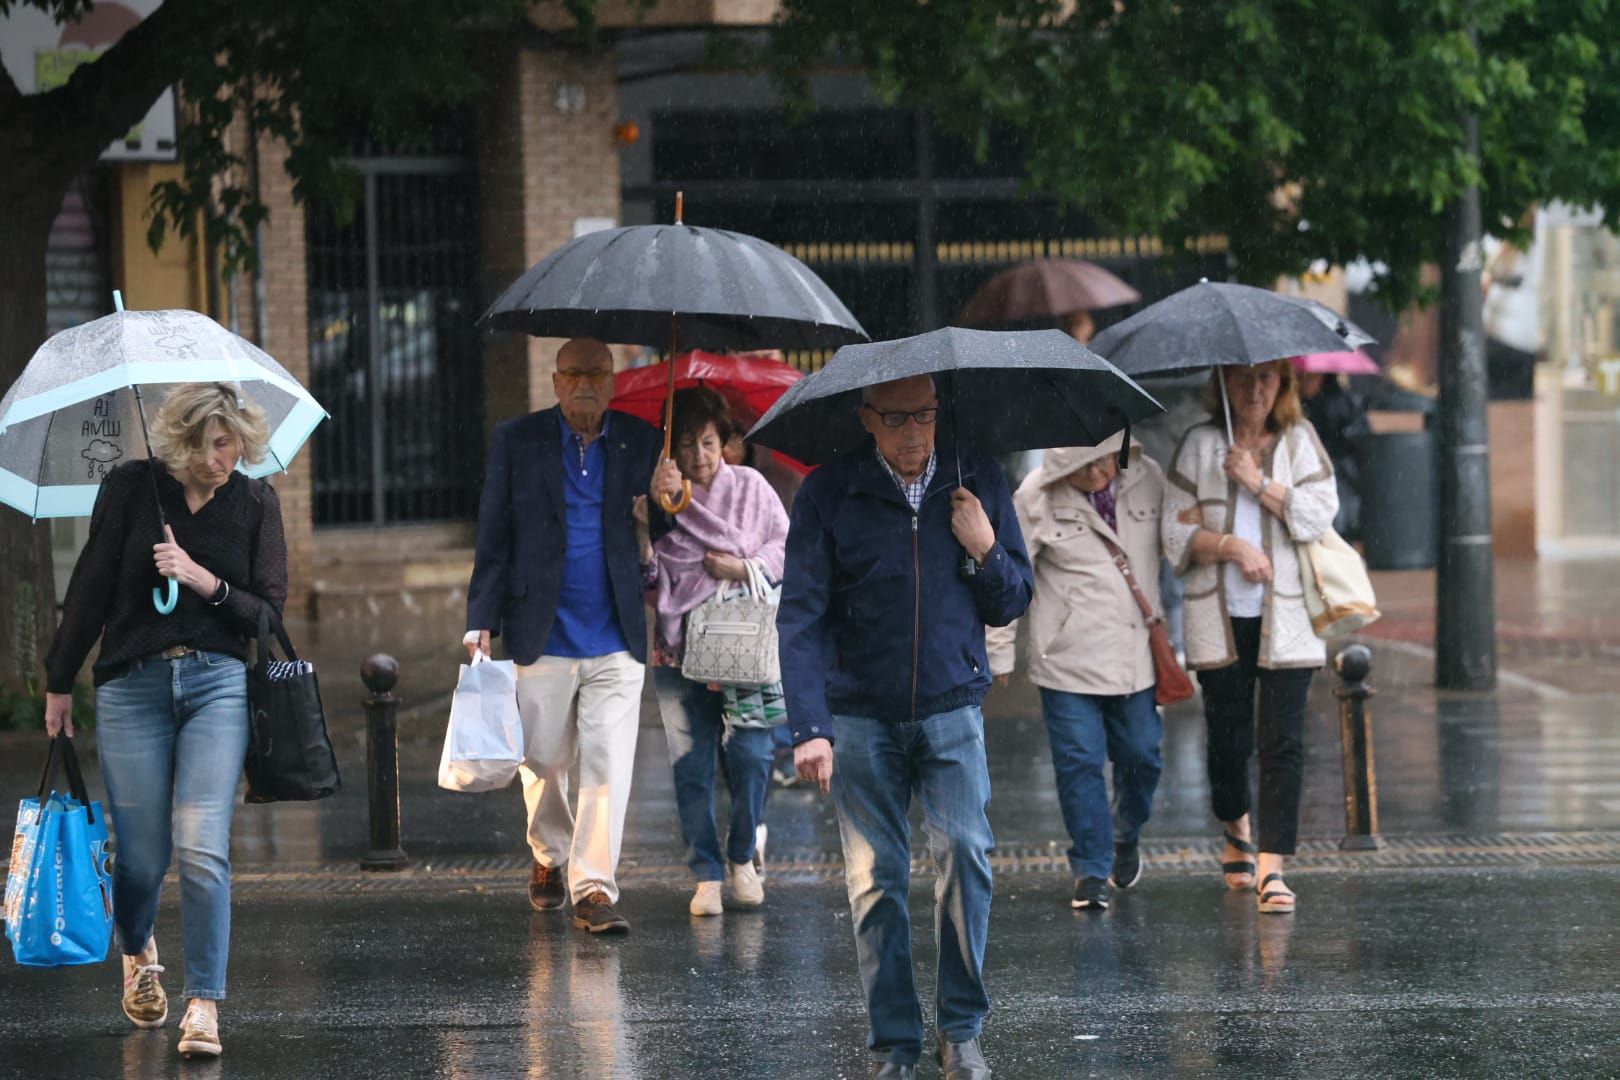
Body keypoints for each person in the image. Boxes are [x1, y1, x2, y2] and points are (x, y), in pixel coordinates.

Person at [778, 374, 1033, 1080]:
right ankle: (894, 1043)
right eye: (896, 419)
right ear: (867, 419)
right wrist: (810, 726)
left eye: (924, 415)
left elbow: (1013, 600)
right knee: (876, 880)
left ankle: (961, 1031)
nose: (914, 432)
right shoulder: (830, 493)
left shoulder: (975, 475)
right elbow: (799, 614)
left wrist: (984, 547)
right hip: (859, 714)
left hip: (952, 705)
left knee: (967, 860)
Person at [42, 383, 287, 1060]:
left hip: (217, 685)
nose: (223, 456)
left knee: (203, 843)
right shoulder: (130, 489)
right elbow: (90, 585)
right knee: (144, 855)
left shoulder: (256, 501)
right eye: (210, 442)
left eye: (232, 440)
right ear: (180, 441)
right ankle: (137, 945)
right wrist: (59, 680)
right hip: (133, 688)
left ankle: (204, 1003)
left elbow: (269, 614)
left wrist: (203, 578)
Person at [464, 337, 665, 935]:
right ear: (554, 381)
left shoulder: (641, 441)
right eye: (574, 373)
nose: (585, 383)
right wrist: (481, 621)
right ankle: (549, 853)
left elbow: (669, 529)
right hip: (540, 628)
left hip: (615, 635)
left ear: (612, 382)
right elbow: (493, 534)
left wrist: (668, 495)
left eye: (597, 373)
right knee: (544, 759)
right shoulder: (517, 440)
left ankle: (594, 888)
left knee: (607, 765)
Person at [1161, 360, 1339, 915]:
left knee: (1283, 742)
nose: (1256, 389)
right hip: (1219, 618)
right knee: (1228, 741)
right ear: (1223, 384)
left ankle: (1272, 865)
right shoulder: (1198, 444)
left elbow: (1319, 515)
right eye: (1242, 377)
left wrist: (1258, 483)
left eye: (1267, 378)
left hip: (1288, 619)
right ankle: (1236, 825)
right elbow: (1174, 530)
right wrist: (1232, 547)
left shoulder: (1299, 441)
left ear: (1283, 384)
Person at [986, 432, 1168, 913]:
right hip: (1065, 659)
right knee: (1079, 764)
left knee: (1143, 756)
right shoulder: (1035, 496)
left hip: (1134, 655)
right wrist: (999, 650)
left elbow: (1177, 547)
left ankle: (1125, 832)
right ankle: (1090, 867)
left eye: (1101, 464)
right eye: (1081, 468)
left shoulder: (1148, 480)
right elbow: (1011, 577)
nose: (1094, 476)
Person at [636, 387, 789, 917]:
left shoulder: (752, 487)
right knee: (690, 763)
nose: (699, 457)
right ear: (669, 451)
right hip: (677, 648)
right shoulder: (660, 499)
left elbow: (782, 547)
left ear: (725, 443)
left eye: (708, 442)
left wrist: (741, 567)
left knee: (752, 753)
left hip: (741, 641)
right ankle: (705, 872)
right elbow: (649, 575)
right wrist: (647, 519)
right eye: (686, 445)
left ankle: (743, 855)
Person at [1296, 370, 1369, 542]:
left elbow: (1358, 443)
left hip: (1339, 475)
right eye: (1303, 375)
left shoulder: (1344, 403)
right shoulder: (1294, 406)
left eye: (1313, 375)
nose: (1308, 380)